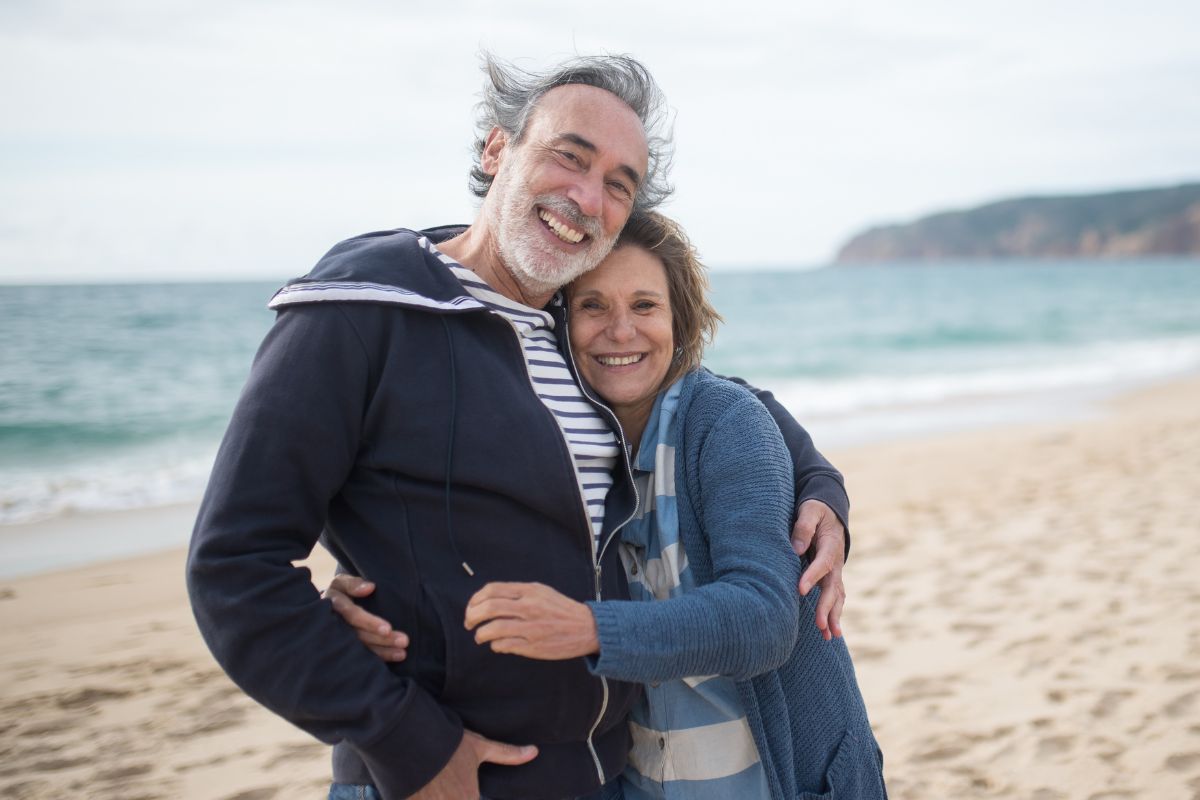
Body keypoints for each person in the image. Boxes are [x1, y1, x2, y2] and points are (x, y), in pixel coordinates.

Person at [187, 52, 851, 800]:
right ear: (497, 149)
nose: (586, 197)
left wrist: (822, 491)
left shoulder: (571, 328)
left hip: (607, 777)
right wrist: (404, 741)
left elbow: (721, 402)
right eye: (570, 158)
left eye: (617, 186)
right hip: (449, 780)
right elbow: (234, 567)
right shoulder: (361, 313)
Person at [336, 212, 887, 799]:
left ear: (680, 318)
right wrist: (371, 591)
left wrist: (589, 629)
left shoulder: (722, 422)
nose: (621, 331)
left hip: (786, 781)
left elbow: (765, 620)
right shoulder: (554, 446)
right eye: (592, 306)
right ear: (555, 324)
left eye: (645, 305)